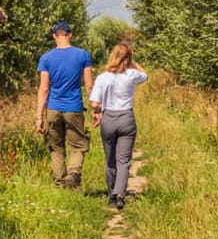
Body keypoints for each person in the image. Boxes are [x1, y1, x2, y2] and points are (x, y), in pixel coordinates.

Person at [89, 43, 149, 210]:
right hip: (126, 118)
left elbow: (94, 103)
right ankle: (120, 194)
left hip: (109, 118)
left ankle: (111, 195)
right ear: (128, 58)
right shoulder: (131, 74)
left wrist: (99, 111)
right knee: (124, 160)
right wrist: (134, 63)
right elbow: (145, 75)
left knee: (110, 159)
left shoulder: (103, 77)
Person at [36, 22, 94, 188]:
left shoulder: (46, 58)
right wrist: (96, 109)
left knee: (56, 148)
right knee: (77, 146)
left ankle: (61, 183)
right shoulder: (83, 55)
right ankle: (74, 172)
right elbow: (89, 85)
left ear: (54, 36)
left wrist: (39, 117)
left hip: (53, 108)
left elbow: (44, 89)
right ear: (70, 35)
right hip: (74, 107)